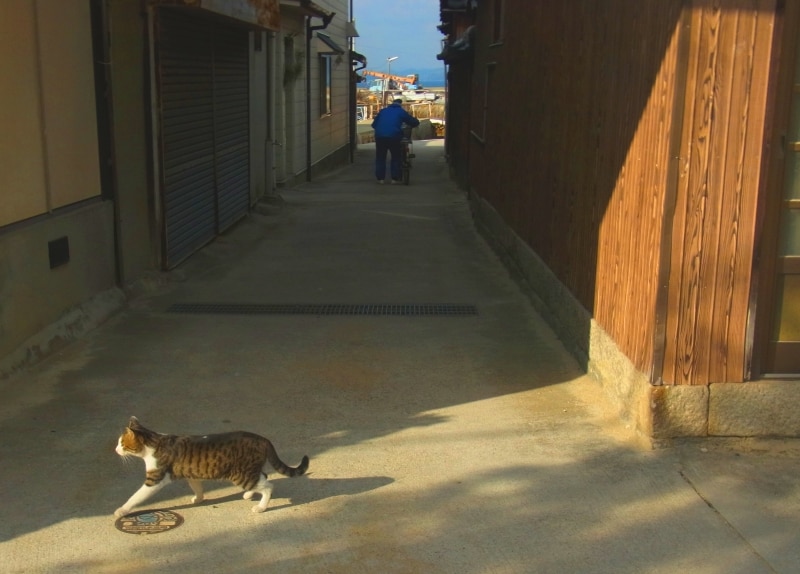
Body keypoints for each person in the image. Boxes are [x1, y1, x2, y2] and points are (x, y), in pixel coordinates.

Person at [371, 98, 420, 184]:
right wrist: (416, 122)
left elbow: (374, 125)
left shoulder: (383, 111)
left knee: (380, 157)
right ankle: (394, 178)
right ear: (400, 105)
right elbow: (412, 121)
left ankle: (380, 179)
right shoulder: (401, 112)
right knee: (396, 157)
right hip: (394, 136)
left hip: (380, 136)